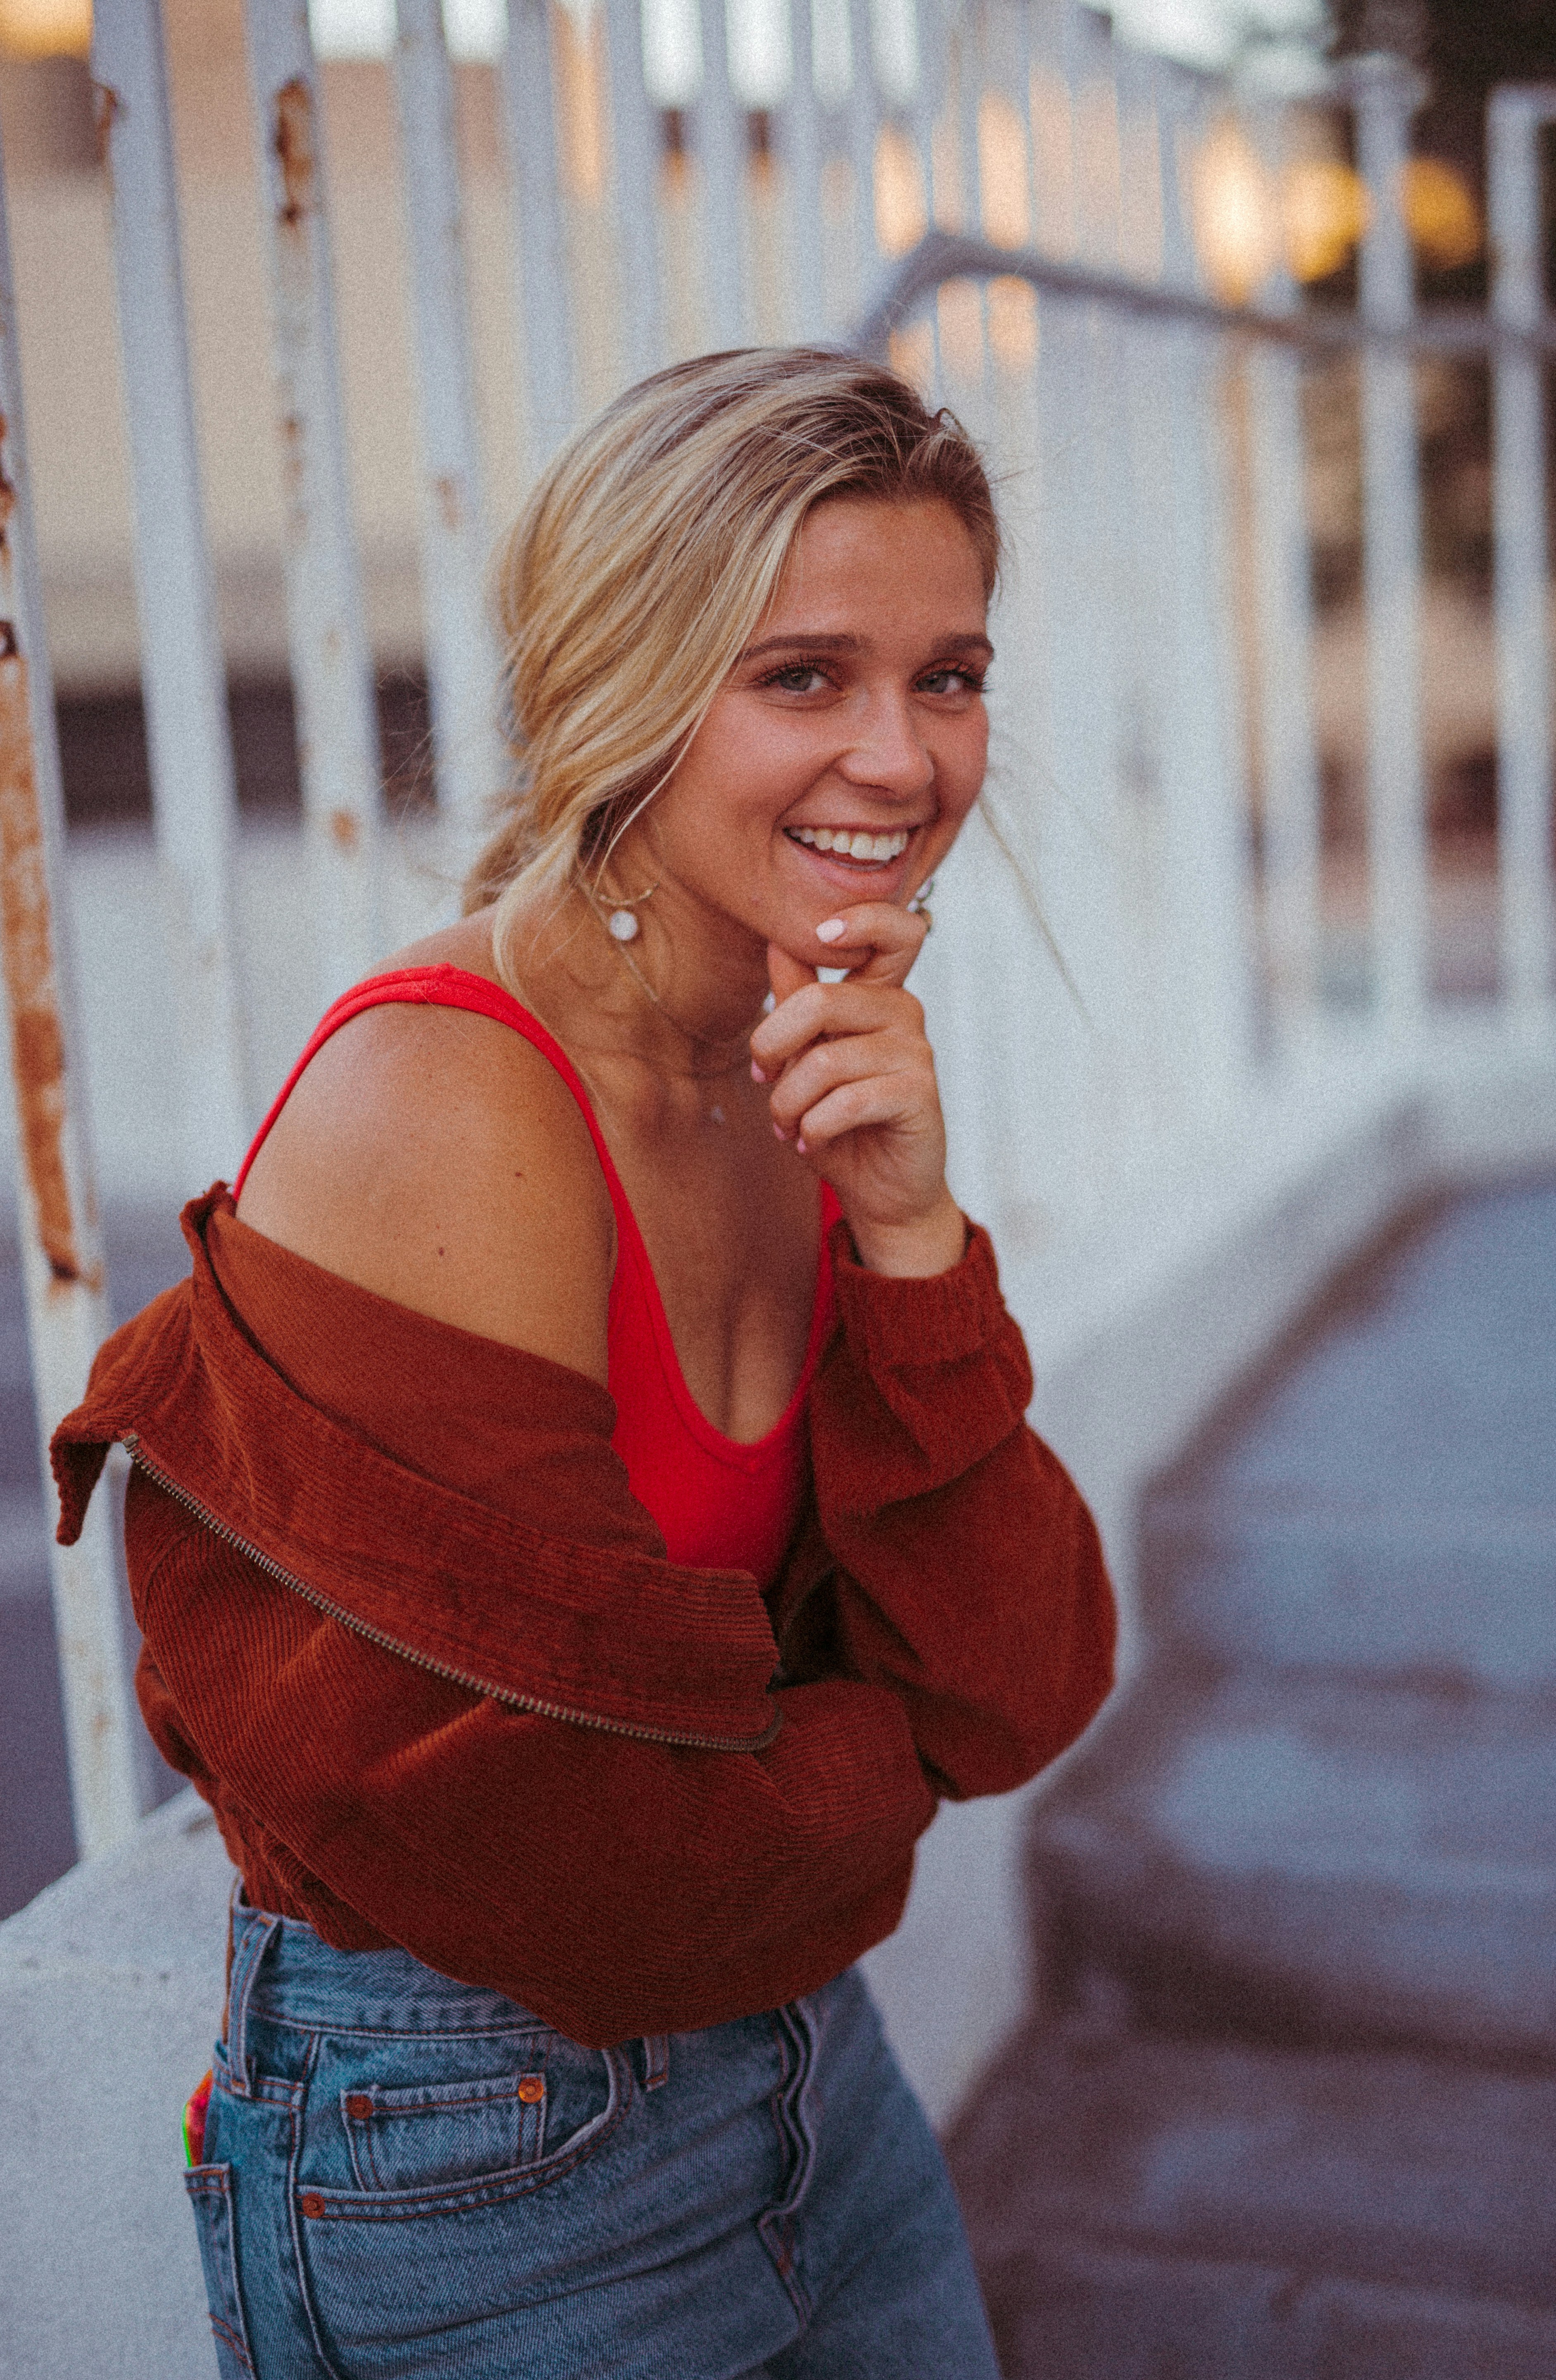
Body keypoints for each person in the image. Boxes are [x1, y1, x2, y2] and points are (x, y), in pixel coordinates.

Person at [53, 348, 1115, 2380]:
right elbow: (568, 1853)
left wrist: (909, 1236)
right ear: (626, 684)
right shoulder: (450, 1103)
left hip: (808, 2066)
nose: (902, 759)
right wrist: (873, 1763)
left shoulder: (802, 1059)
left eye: (949, 676)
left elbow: (1021, 1676)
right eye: (801, 677)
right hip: (470, 2137)